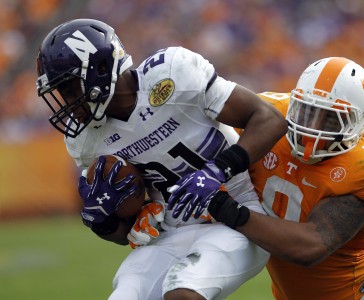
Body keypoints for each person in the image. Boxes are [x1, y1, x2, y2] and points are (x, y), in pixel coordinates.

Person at [35, 18, 287, 300]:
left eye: (70, 89)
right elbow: (127, 233)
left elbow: (269, 120)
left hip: (237, 216)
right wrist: (103, 222)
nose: (68, 102)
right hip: (169, 232)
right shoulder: (85, 139)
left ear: (101, 70)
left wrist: (217, 171)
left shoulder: (171, 73)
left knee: (182, 294)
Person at [170, 57, 364, 299]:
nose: (312, 128)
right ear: (293, 103)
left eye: (330, 118)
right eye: (307, 111)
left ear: (358, 123)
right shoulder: (268, 116)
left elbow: (309, 246)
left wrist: (222, 206)